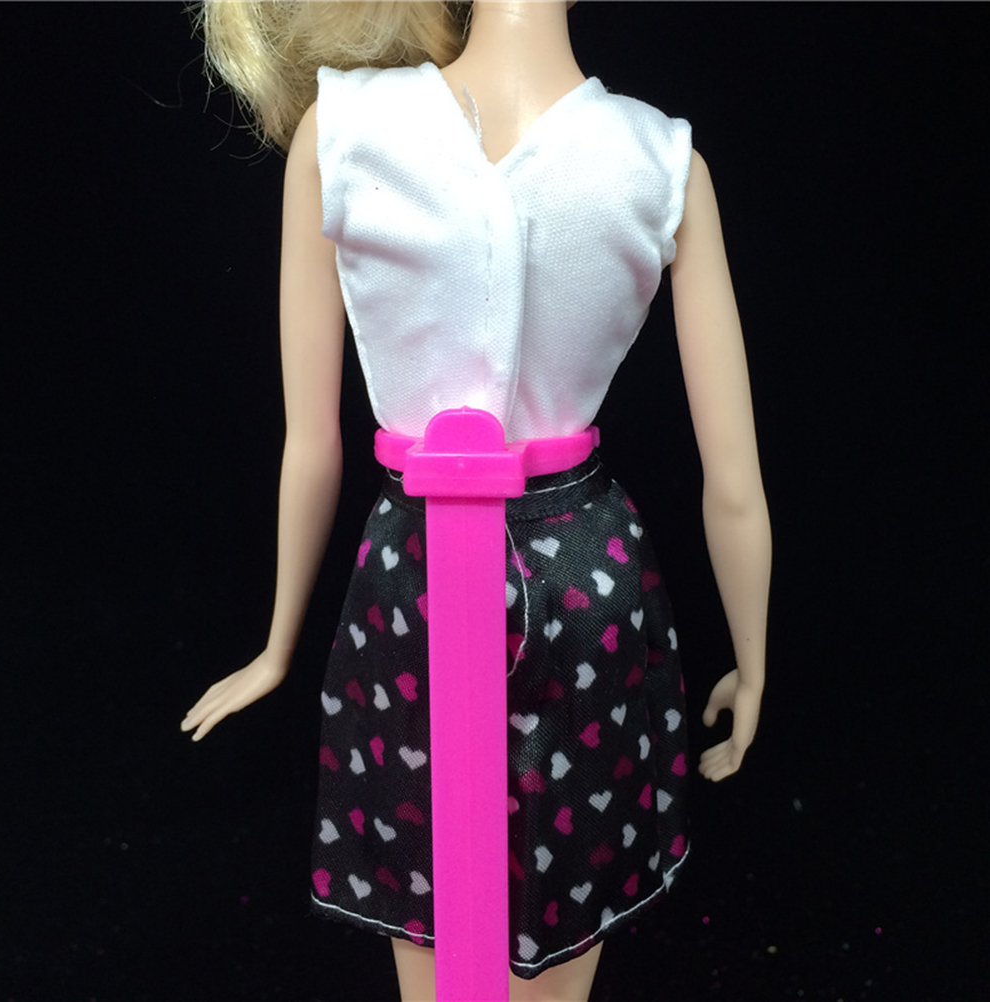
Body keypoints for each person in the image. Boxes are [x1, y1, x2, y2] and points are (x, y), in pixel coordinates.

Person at [181, 3, 771, 999]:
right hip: (559, 579)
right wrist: (752, 664)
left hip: (443, 582)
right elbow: (736, 485)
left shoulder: (354, 133)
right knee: (491, 938)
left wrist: (279, 645)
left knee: (483, 936)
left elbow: (311, 441)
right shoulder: (659, 164)